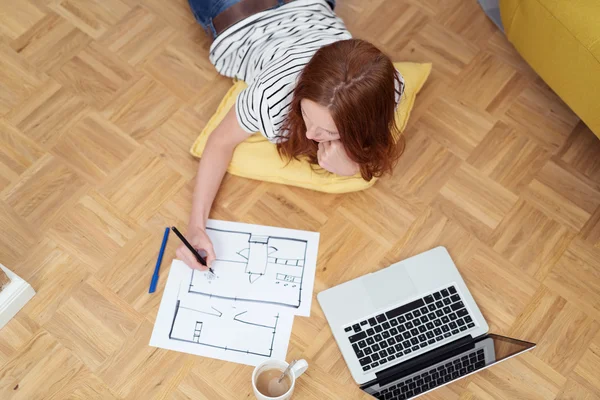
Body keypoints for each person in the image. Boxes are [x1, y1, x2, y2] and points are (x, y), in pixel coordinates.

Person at [176, 0, 405, 271]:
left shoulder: (389, 85)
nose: (309, 133)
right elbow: (220, 142)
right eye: (306, 115)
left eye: (327, 131)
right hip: (240, 15)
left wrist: (352, 166)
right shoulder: (271, 97)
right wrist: (196, 226)